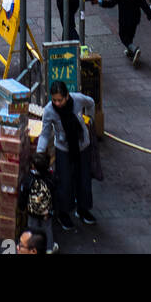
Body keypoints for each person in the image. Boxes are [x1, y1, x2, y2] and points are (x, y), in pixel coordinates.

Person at [37, 81, 97, 230]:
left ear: (67, 96)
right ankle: (63, 213)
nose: (57, 103)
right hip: (63, 149)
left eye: (60, 100)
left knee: (84, 179)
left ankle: (83, 210)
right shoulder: (49, 111)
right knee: (64, 182)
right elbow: (44, 134)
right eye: (54, 100)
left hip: (82, 146)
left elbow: (91, 103)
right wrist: (39, 153)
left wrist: (89, 120)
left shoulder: (78, 99)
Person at [99, 0, 151, 65]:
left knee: (123, 36)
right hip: (135, 19)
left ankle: (133, 49)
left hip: (124, 19)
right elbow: (144, 5)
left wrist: (101, 2)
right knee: (130, 35)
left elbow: (111, 3)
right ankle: (131, 52)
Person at [22, 150, 56, 253]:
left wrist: (22, 206)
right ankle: (49, 248)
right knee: (47, 229)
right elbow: (55, 194)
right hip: (46, 212)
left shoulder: (29, 180)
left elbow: (24, 195)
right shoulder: (50, 179)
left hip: (32, 212)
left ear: (33, 167)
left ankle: (31, 247)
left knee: (32, 228)